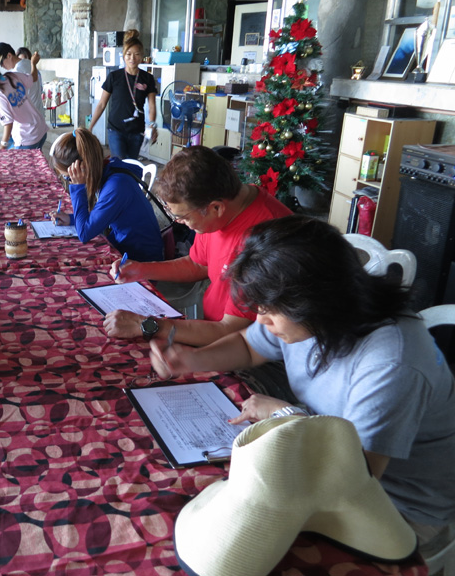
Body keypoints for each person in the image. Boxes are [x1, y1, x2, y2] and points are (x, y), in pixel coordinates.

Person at [150, 215, 455, 537]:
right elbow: (249, 345)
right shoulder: (315, 317)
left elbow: (353, 481)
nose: (261, 320)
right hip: (324, 454)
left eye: (269, 311)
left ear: (314, 303)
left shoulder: (391, 364)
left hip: (398, 504)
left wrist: (285, 415)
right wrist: (191, 359)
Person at [104, 146, 290, 345]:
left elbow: (231, 332)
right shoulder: (218, 211)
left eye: (182, 217)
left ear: (216, 208)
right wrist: (141, 269)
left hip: (243, 350)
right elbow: (198, 264)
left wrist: (144, 325)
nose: (178, 222)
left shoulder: (267, 239)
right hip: (209, 327)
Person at [49, 128, 163, 261]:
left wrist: (78, 187)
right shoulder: (107, 169)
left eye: (69, 178)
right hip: (124, 246)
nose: (70, 182)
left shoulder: (116, 186)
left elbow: (84, 233)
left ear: (82, 169)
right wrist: (71, 219)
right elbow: (99, 216)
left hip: (141, 260)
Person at [88, 30, 157, 160]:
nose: (132, 58)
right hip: (116, 130)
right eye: (129, 54)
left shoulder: (147, 78)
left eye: (136, 54)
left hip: (137, 131)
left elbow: (152, 105)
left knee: (131, 165)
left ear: (142, 56)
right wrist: (90, 126)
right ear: (124, 55)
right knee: (119, 163)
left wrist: (152, 124)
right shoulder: (114, 77)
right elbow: (102, 104)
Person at [0, 54, 48, 151]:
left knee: (20, 166)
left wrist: (3, 143)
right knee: (34, 164)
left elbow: (8, 121)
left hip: (27, 136)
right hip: (40, 127)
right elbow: (33, 79)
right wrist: (33, 64)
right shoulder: (12, 76)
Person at [0, 42, 44, 119]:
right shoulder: (28, 63)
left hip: (31, 121)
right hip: (37, 116)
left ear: (9, 55)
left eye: (1, 62)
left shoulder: (18, 71)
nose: (2, 66)